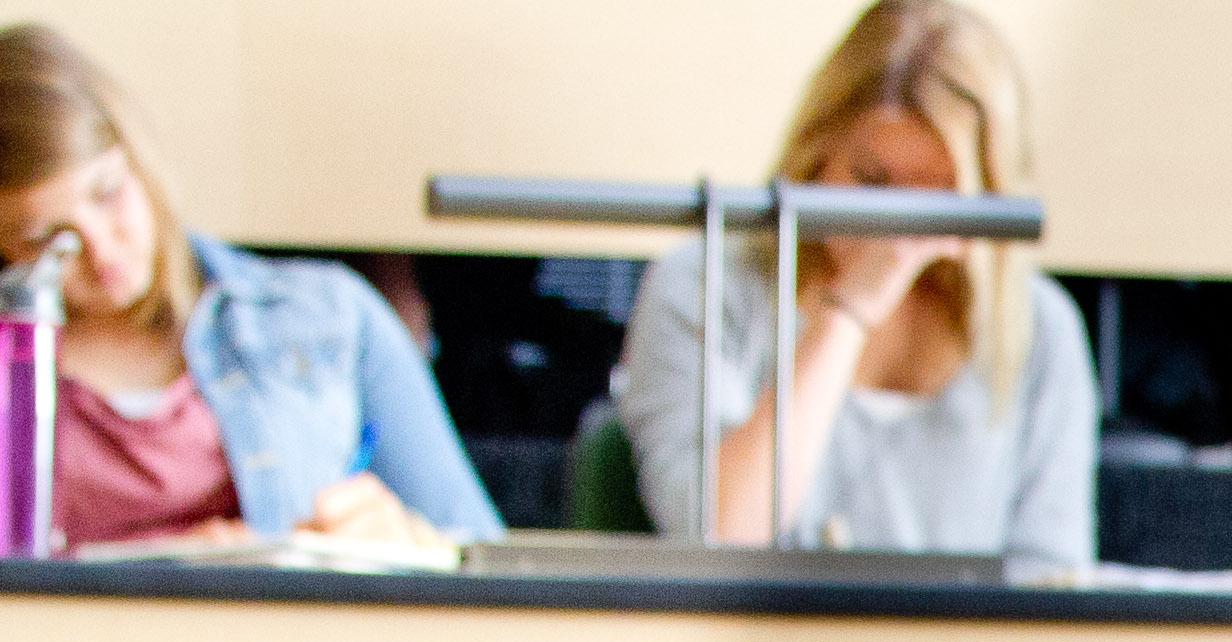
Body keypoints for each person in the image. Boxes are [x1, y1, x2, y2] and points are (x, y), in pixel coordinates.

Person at [610, 0, 1093, 562]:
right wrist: (847, 314)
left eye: (938, 197)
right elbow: (720, 533)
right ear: (818, 156)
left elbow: (1052, 575)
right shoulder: (703, 285)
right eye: (871, 182)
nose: (895, 232)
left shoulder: (1041, 329)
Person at [0, 23, 500, 553]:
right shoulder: (18, 369)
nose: (101, 252)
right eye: (48, 240)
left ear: (138, 157)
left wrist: (405, 542)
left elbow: (481, 561)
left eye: (107, 193)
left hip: (295, 636)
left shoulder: (329, 315)